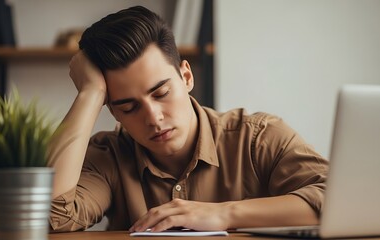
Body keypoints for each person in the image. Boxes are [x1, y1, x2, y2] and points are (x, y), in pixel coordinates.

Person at [48, 6, 329, 232]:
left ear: (186, 76)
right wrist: (90, 93)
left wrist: (224, 213)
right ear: (111, 109)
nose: (154, 118)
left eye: (161, 93)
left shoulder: (258, 138)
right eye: (128, 107)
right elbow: (51, 216)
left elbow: (335, 198)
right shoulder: (108, 156)